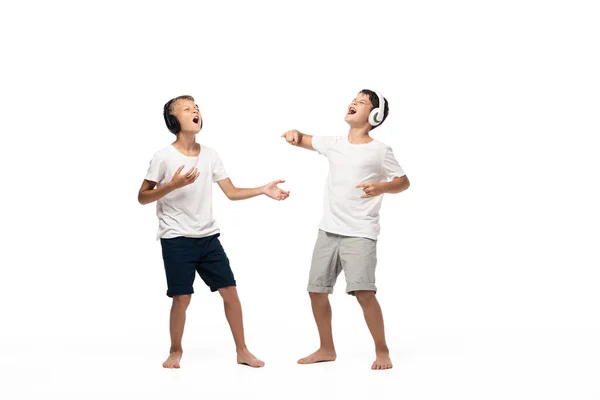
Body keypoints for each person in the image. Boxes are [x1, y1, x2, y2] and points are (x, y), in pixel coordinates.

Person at [139, 95, 289, 369]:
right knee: (182, 298)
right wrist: (172, 185)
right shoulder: (163, 156)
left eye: (196, 108)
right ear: (174, 120)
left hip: (208, 238)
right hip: (176, 238)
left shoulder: (210, 155)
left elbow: (231, 192)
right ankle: (175, 350)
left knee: (230, 291)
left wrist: (262, 190)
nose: (195, 111)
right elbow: (143, 197)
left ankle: (242, 351)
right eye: (187, 109)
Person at [281, 89, 410, 370]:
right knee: (316, 291)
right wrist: (293, 133)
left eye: (362, 102)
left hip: (360, 233)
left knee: (364, 292)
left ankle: (382, 350)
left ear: (374, 116)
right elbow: (302, 138)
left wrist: (382, 186)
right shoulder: (334, 143)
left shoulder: (380, 150)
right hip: (327, 230)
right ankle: (326, 348)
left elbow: (403, 181)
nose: (353, 103)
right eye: (354, 100)